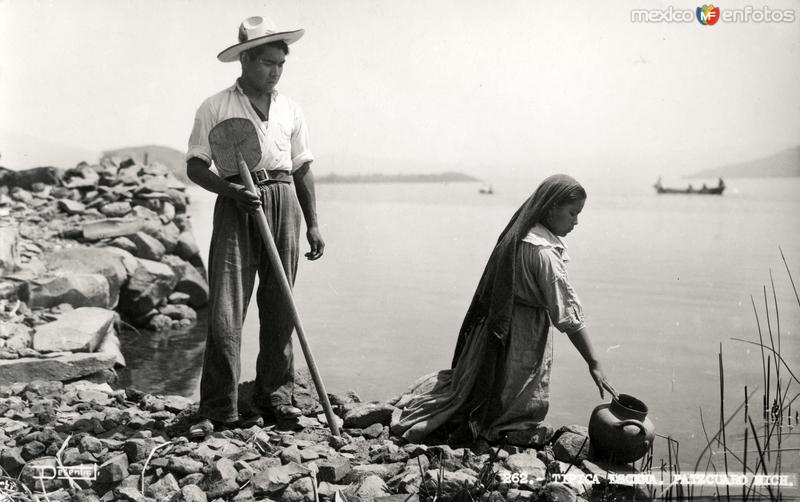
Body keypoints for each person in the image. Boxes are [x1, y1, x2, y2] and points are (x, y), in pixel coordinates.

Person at [391, 174, 615, 445]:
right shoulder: (544, 254)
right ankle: (500, 428)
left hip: (496, 326)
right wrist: (594, 362)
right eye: (572, 213)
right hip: (521, 333)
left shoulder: (518, 235)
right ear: (551, 207)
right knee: (515, 401)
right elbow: (567, 316)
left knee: (483, 387)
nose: (576, 222)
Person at [185, 15, 324, 436]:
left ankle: (275, 400)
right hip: (237, 202)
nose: (276, 71)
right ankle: (218, 409)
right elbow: (194, 166)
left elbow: (301, 168)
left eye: (281, 63)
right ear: (245, 60)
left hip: (282, 201)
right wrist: (229, 193)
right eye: (268, 62)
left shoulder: (290, 108)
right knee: (226, 311)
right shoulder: (215, 106)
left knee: (281, 307)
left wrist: (314, 223)